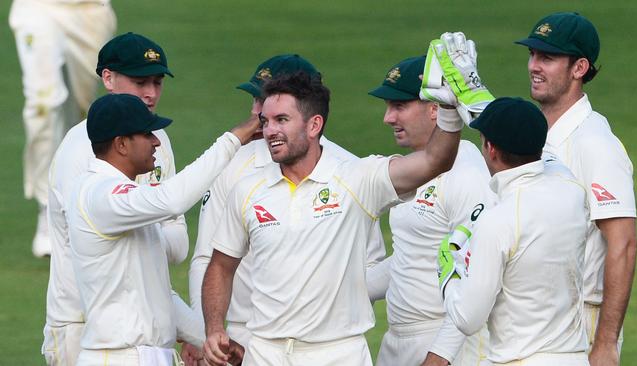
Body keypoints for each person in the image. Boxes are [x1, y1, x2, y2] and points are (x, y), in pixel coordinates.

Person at [201, 70, 463, 366]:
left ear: (314, 125)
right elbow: (220, 267)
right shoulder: (248, 188)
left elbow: (434, 160)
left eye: (281, 120)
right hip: (264, 353)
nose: (269, 131)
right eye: (266, 121)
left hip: (338, 354)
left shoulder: (357, 178)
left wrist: (450, 111)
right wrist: (214, 329)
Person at [188, 54, 385, 357]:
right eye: (257, 101)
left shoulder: (350, 171)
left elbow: (370, 263)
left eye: (271, 108)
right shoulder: (230, 167)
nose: (257, 113)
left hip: (328, 344)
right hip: (246, 336)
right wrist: (203, 332)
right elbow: (207, 258)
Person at [67, 93, 258, 365]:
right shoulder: (98, 194)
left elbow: (158, 296)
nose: (157, 141)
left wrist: (211, 340)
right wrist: (232, 140)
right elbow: (173, 200)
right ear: (121, 144)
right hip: (119, 358)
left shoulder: (124, 202)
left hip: (144, 356)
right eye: (147, 134)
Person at [42, 32, 195, 366]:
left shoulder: (157, 142)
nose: (151, 94)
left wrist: (188, 331)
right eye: (140, 82)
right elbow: (103, 256)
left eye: (157, 82)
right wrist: (152, 227)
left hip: (141, 331)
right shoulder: (81, 149)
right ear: (108, 78)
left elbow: (177, 247)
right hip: (82, 329)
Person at [515, 12, 637, 365]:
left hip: (580, 320)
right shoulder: (538, 135)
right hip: (534, 315)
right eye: (533, 54)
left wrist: (605, 344)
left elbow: (624, 244)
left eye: (548, 58)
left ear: (579, 67)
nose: (534, 66)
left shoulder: (595, 143)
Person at [439, 97, 590, 365]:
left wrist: (448, 271)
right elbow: (547, 156)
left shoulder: (497, 221)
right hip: (574, 357)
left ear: (491, 148)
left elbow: (467, 318)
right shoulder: (571, 188)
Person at [368, 55, 492, 366]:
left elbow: (476, 278)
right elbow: (413, 256)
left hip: (445, 344)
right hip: (398, 340)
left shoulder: (467, 173)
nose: (388, 117)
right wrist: (343, 289)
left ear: (435, 107)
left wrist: (438, 358)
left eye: (399, 106)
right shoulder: (413, 171)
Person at [8, 0, 117, 257]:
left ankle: (72, 199)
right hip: (36, 7)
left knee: (81, 114)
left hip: (89, 11)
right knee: (42, 103)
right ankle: (47, 206)